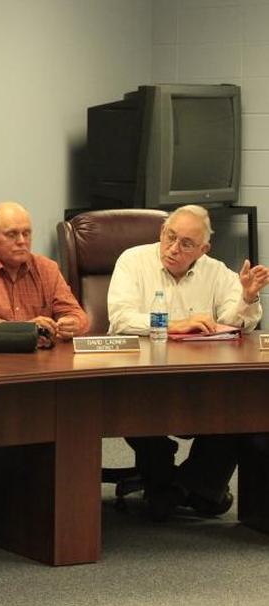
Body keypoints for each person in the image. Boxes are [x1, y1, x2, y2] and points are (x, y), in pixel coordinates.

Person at [107, 204, 269, 520]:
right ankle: (194, 489)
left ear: (203, 249)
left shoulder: (216, 271)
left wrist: (247, 298)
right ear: (161, 233)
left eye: (186, 244)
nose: (173, 248)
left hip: (201, 381)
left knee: (239, 410)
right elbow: (121, 318)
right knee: (141, 416)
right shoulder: (133, 261)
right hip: (139, 381)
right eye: (170, 237)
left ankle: (183, 487)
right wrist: (170, 324)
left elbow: (234, 323)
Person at [0, 201, 89, 341]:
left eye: (26, 233)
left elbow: (79, 316)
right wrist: (25, 329)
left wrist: (73, 323)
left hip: (39, 361)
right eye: (12, 234)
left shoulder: (47, 269)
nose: (21, 241)